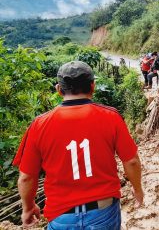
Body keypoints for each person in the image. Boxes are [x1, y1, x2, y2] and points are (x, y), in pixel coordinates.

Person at [12, 61, 144, 229]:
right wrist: (137, 189)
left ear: (59, 89)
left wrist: (28, 208)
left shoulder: (39, 124)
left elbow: (26, 177)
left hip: (61, 215)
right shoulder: (111, 116)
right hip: (103, 211)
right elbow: (131, 161)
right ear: (93, 86)